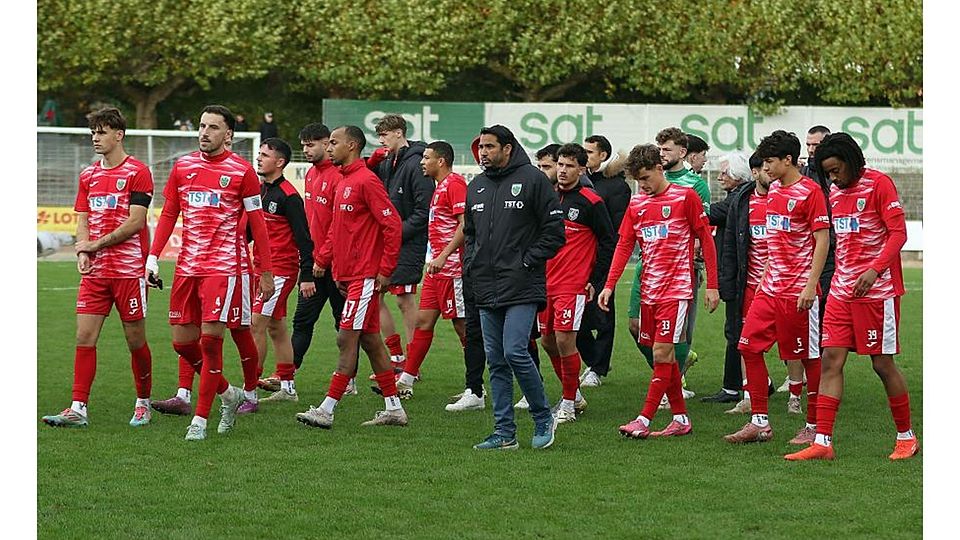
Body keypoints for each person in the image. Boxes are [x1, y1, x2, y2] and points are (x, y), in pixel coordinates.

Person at [785, 132, 918, 461]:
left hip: (878, 293)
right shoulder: (833, 190)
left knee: (882, 364)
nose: (833, 177)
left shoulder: (879, 184)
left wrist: (874, 270)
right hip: (842, 291)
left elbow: (899, 233)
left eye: (835, 170)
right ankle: (823, 442)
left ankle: (906, 437)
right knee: (831, 359)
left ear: (852, 161)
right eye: (828, 172)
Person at [146, 104, 275, 441]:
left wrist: (266, 271)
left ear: (228, 134)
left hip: (224, 268)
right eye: (202, 126)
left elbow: (259, 226)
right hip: (187, 267)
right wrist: (152, 257)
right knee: (181, 343)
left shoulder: (241, 171)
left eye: (213, 127)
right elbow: (170, 212)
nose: (205, 133)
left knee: (209, 342)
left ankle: (200, 420)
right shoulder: (183, 166)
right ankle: (228, 393)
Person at [41, 107, 155, 428]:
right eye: (93, 132)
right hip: (96, 274)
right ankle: (78, 408)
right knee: (84, 336)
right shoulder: (88, 175)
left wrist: (94, 245)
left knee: (135, 341)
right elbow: (83, 219)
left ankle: (143, 402)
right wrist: (82, 250)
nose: (95, 138)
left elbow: (135, 223)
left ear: (119, 135)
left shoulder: (137, 172)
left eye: (101, 132)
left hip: (128, 273)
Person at [599, 143, 719, 439]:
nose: (642, 186)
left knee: (662, 352)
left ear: (658, 168)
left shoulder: (684, 197)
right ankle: (680, 419)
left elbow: (706, 238)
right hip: (648, 292)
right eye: (637, 181)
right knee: (664, 358)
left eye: (645, 179)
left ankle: (644, 418)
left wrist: (713, 285)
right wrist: (609, 285)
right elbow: (625, 244)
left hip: (676, 291)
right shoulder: (637, 204)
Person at [295, 125, 407, 428]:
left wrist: (384, 270)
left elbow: (393, 226)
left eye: (334, 142)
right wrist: (324, 258)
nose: (329, 148)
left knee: (346, 338)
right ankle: (394, 408)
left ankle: (327, 409)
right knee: (370, 341)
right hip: (349, 276)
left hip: (365, 276)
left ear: (353, 145)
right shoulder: (344, 181)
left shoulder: (366, 181)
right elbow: (337, 229)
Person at [724, 130, 829, 445]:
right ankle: (760, 422)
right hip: (769, 290)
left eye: (770, 161)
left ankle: (813, 427)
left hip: (798, 292)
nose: (765, 167)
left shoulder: (810, 192)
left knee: (809, 358)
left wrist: (811, 285)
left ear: (788, 159)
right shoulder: (773, 193)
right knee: (748, 347)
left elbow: (822, 239)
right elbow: (774, 244)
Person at [465, 125, 565, 450]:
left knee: (514, 352)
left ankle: (542, 417)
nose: (483, 153)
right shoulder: (476, 186)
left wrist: (526, 261)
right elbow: (470, 233)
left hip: (522, 284)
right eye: (481, 147)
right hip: (485, 286)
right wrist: (472, 263)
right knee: (495, 359)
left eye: (490, 147)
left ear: (507, 148)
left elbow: (555, 232)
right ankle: (504, 432)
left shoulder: (534, 180)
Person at [236, 138, 315, 411]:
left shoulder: (289, 197)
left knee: (255, 325)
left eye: (265, 155)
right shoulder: (259, 191)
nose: (259, 158)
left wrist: (307, 275)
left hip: (280, 272)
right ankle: (288, 387)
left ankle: (250, 393)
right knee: (276, 328)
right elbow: (250, 232)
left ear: (279, 162)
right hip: (261, 268)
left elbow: (305, 239)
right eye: (259, 154)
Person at [271, 123, 349, 392]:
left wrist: (322, 259)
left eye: (313, 143)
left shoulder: (339, 176)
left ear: (329, 143)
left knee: (345, 327)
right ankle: (286, 379)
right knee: (302, 321)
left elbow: (337, 227)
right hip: (314, 264)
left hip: (337, 265)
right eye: (304, 144)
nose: (307, 149)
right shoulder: (312, 175)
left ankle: (348, 379)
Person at [540, 143, 615, 423]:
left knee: (564, 340)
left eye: (570, 166)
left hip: (574, 284)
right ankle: (576, 394)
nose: (562, 170)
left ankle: (568, 405)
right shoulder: (547, 197)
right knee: (547, 340)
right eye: (560, 164)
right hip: (545, 282)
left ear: (582, 169)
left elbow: (609, 242)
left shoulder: (591, 201)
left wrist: (596, 280)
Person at [392, 141, 469, 400]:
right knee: (423, 322)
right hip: (438, 271)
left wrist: (444, 256)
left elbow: (465, 226)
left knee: (463, 327)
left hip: (453, 270)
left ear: (441, 161)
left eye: (426, 158)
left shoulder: (455, 184)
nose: (421, 162)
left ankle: (475, 388)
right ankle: (406, 379)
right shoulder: (439, 187)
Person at [370, 114, 434, 374]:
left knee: (405, 299)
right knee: (375, 295)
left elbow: (423, 210)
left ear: (398, 133)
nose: (382, 140)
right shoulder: (387, 162)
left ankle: (411, 364)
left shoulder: (417, 163)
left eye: (385, 134)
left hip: (408, 242)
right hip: (388, 240)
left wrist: (396, 233)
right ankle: (397, 357)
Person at [578, 134, 632, 387]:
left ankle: (597, 368)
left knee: (603, 312)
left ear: (603, 155)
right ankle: (594, 360)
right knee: (576, 316)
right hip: (576, 259)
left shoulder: (616, 187)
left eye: (590, 152)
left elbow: (617, 229)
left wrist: (608, 260)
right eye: (584, 151)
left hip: (603, 258)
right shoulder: (578, 181)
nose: (586, 155)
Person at [700, 152, 753, 405]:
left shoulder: (737, 201)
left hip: (737, 276)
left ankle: (734, 388)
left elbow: (707, 215)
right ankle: (753, 383)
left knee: (736, 331)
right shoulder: (739, 199)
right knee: (737, 330)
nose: (720, 176)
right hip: (735, 274)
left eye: (724, 172)